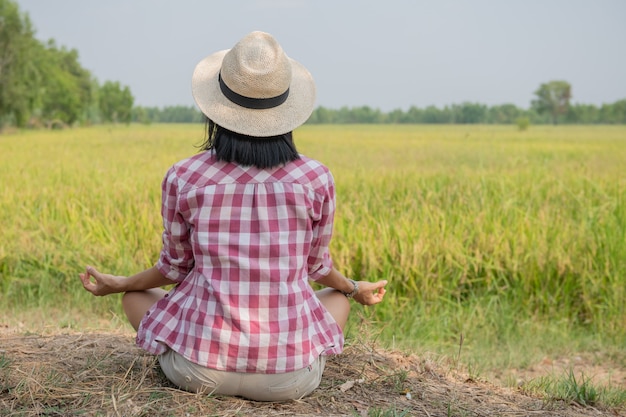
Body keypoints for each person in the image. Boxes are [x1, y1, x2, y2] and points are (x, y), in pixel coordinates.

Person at [79, 31, 388, 402]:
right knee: (335, 299)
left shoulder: (184, 175)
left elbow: (174, 269)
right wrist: (354, 289)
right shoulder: (316, 178)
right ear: (287, 112)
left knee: (134, 296)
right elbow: (316, 267)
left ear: (216, 108)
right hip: (288, 381)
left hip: (198, 371)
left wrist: (119, 282)